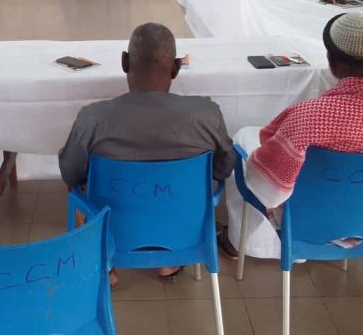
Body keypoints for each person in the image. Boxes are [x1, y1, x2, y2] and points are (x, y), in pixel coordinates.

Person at [219, 13, 363, 260]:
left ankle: (243, 243)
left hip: (306, 224)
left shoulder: (310, 115)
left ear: (330, 60)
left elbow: (271, 193)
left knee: (244, 139)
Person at [59, 23, 235, 283]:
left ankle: (107, 265)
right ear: (176, 68)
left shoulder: (93, 118)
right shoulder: (207, 115)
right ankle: (169, 261)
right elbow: (223, 169)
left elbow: (70, 173)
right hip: (184, 233)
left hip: (114, 231)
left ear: (124, 62)